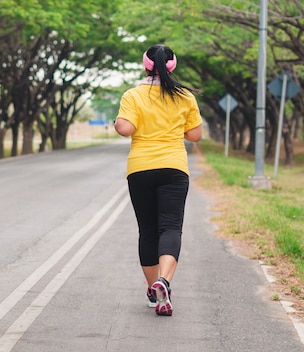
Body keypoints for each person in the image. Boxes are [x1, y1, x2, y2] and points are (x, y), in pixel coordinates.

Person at [114, 44, 203, 316]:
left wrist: (120, 122)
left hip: (140, 169)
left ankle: (153, 289)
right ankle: (164, 281)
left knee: (148, 230)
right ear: (173, 66)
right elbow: (195, 135)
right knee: (171, 228)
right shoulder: (185, 96)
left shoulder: (133, 95)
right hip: (174, 168)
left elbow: (125, 128)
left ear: (145, 65)